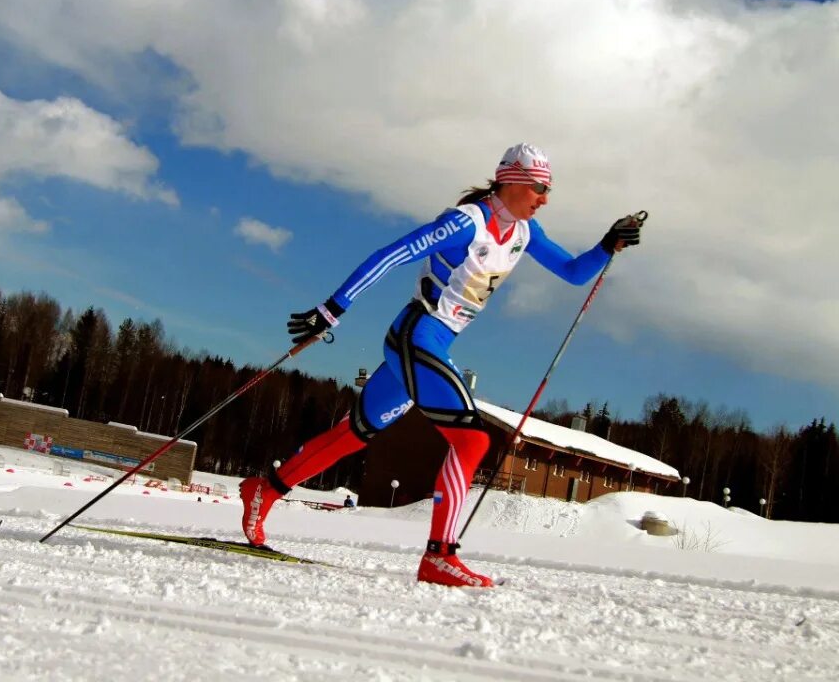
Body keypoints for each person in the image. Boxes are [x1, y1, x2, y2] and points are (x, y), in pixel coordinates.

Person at [239, 143, 641, 587]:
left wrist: (608, 244)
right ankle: (440, 557)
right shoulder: (464, 223)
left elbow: (573, 271)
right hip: (418, 334)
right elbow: (392, 254)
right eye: (540, 189)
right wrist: (332, 310)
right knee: (471, 441)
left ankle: (265, 490)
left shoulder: (526, 233)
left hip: (432, 342)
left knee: (354, 433)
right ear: (512, 181)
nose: (544, 199)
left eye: (548, 191)